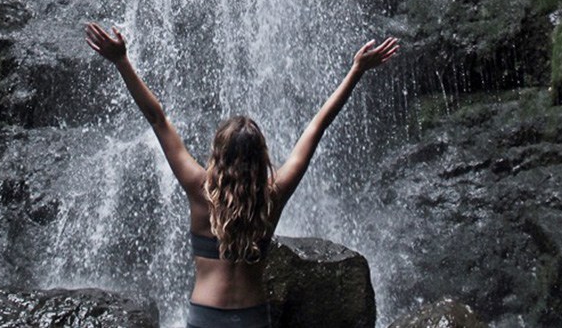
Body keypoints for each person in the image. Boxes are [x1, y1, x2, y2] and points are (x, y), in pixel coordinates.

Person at [85, 23, 399, 328]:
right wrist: (356, 71)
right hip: (252, 316)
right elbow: (317, 126)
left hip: (205, 316)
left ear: (218, 154)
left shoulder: (199, 188)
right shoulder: (274, 193)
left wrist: (121, 61)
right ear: (261, 156)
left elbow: (157, 118)